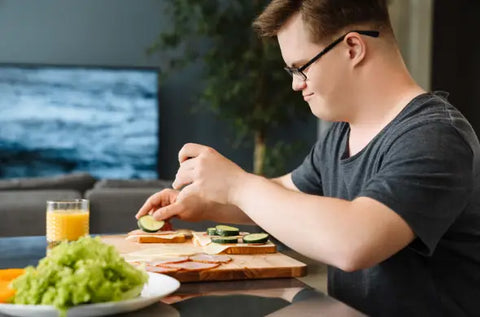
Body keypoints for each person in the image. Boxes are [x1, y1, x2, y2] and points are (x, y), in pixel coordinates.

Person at [136, 0, 480, 315]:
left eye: (301, 67)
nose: (296, 85)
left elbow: (355, 241)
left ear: (352, 48)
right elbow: (289, 195)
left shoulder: (435, 136)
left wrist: (236, 184)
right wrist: (207, 203)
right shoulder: (342, 136)